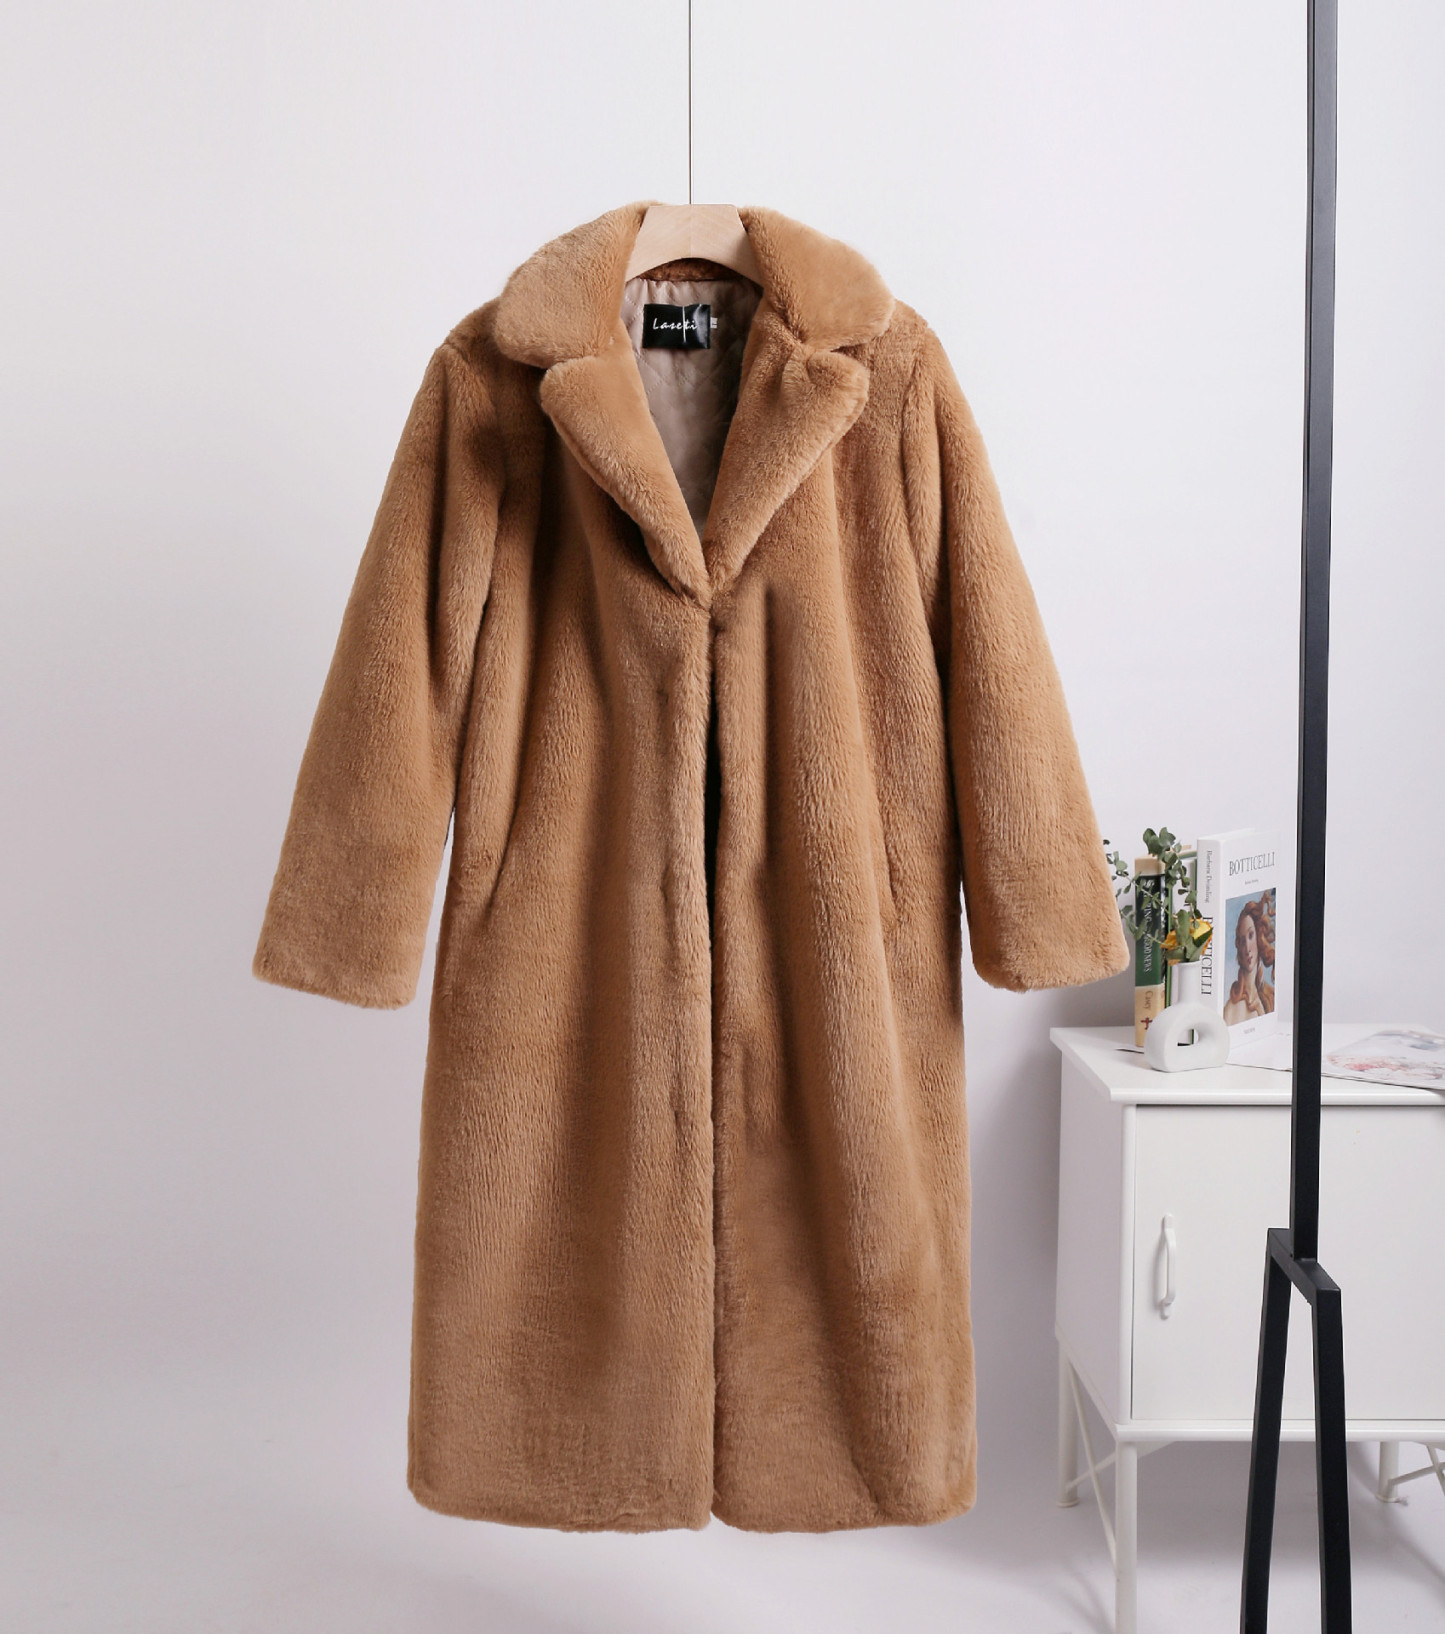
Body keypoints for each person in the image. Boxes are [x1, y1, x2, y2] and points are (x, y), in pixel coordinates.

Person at [1223, 895, 1276, 1023]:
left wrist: (1260, 1010)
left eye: (1251, 935)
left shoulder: (1272, 996)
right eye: (1242, 941)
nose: (1247, 947)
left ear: (1259, 937)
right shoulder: (1231, 1009)